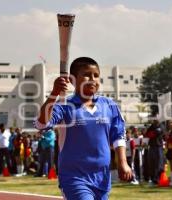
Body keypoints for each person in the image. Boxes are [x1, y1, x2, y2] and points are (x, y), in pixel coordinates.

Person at [34, 57, 132, 200]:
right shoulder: (64, 105)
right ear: (72, 80)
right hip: (74, 177)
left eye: (96, 75)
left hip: (102, 177)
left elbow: (118, 135)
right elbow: (41, 124)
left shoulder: (109, 105)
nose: (92, 79)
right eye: (86, 74)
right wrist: (54, 93)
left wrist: (123, 163)